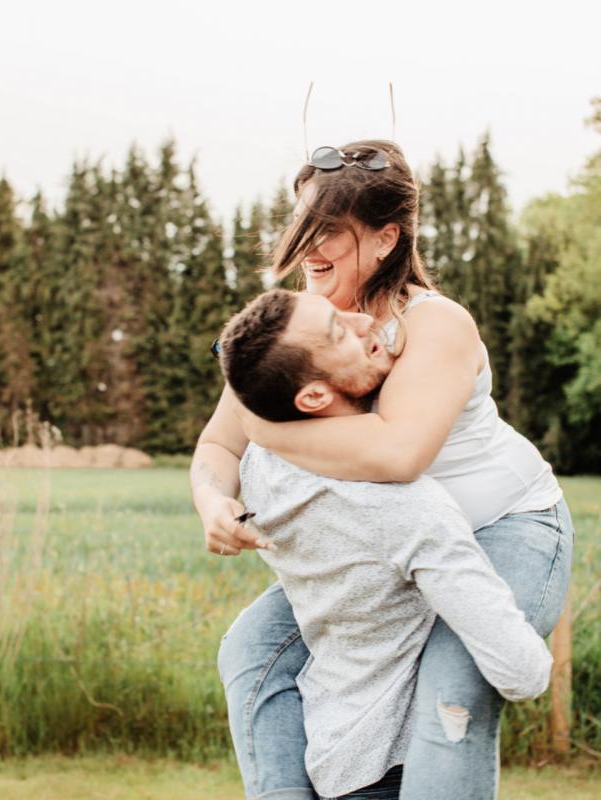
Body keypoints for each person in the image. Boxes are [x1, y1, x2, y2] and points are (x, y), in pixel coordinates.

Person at [190, 140, 573, 800]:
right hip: (386, 548)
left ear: (384, 238)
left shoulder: (433, 324)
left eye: (329, 232)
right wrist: (213, 504)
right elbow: (216, 450)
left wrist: (262, 425)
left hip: (499, 530)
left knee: (452, 684)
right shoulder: (296, 327)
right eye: (302, 226)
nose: (309, 247)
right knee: (252, 649)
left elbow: (399, 456)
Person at [215, 287, 552, 800]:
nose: (362, 321)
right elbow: (523, 673)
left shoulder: (264, 471)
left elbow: (236, 436)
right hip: (394, 764)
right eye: (337, 331)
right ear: (311, 398)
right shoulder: (410, 512)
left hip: (328, 748)